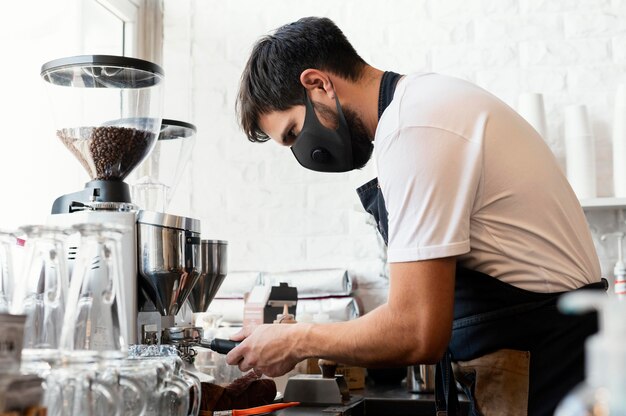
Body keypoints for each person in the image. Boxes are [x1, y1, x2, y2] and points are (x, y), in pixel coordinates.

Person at [228, 16, 606, 415]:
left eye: (292, 133)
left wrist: (296, 341)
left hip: (548, 375)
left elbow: (416, 330)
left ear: (317, 84)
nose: (301, 152)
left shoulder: (414, 128)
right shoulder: (424, 105)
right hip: (545, 362)